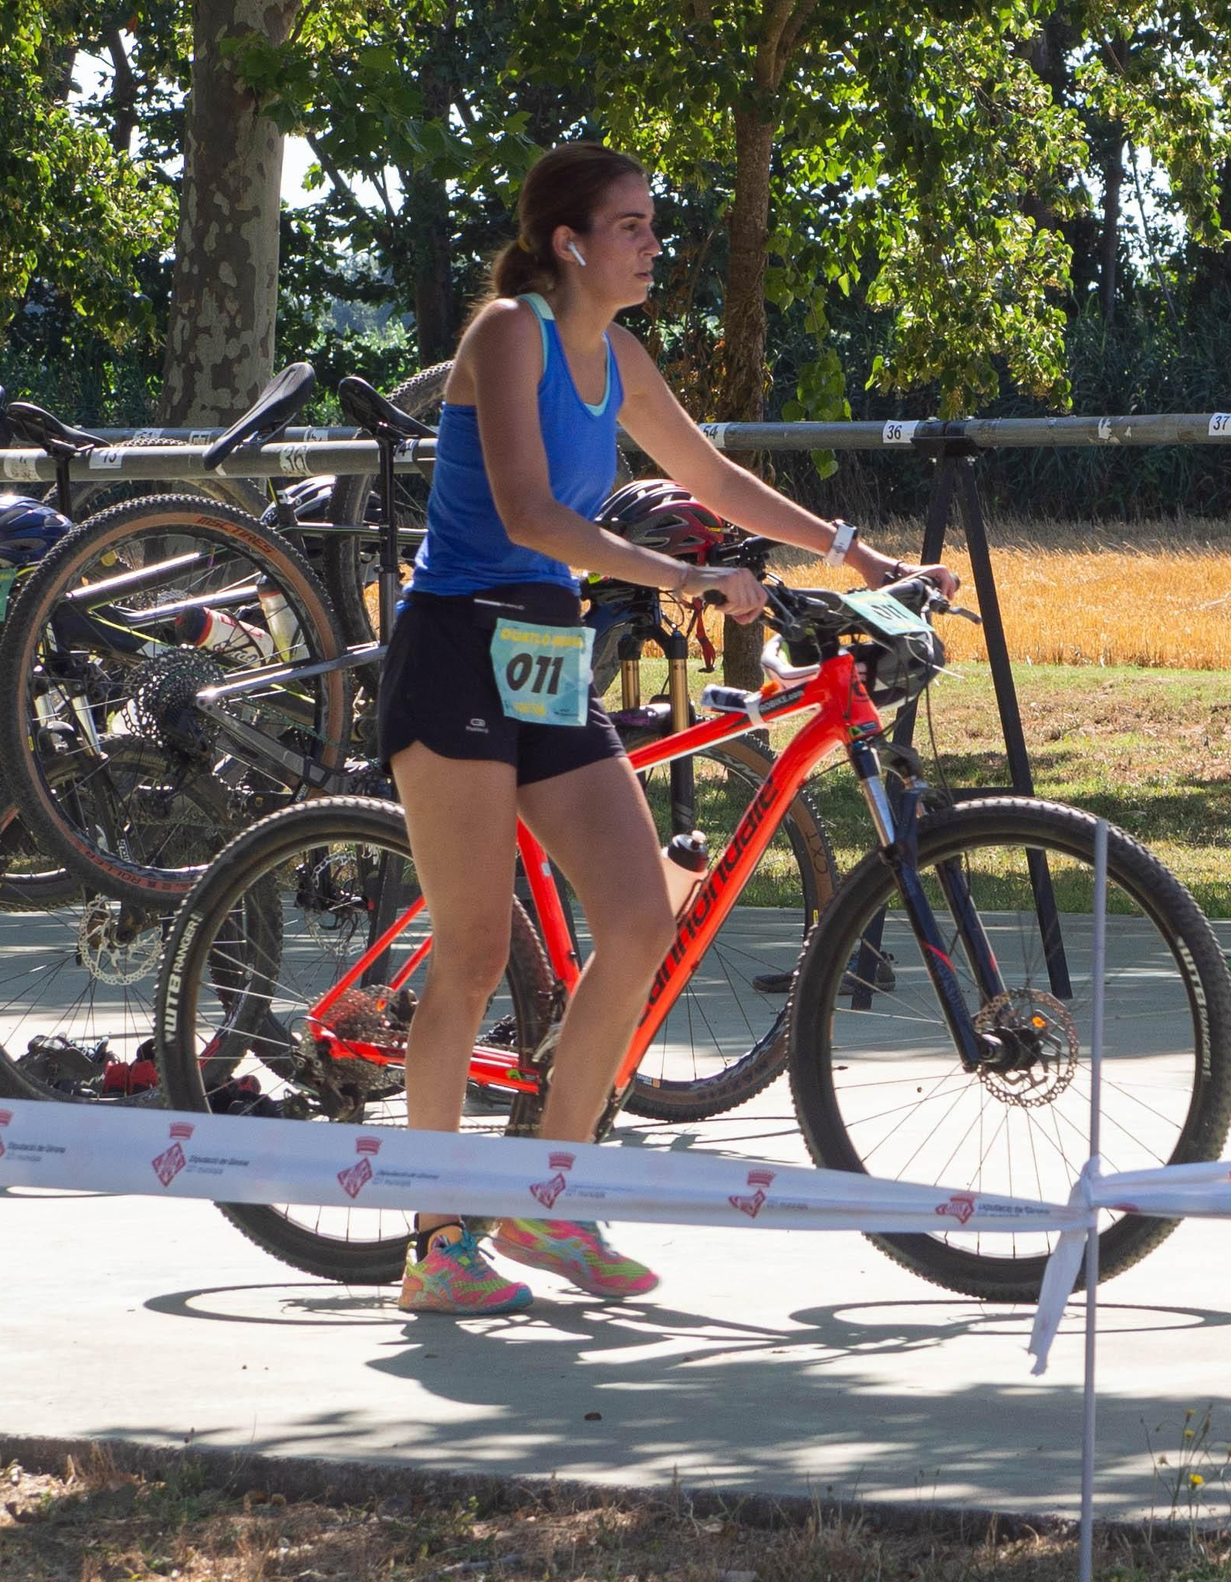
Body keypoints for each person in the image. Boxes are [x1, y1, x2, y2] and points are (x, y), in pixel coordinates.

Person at [380, 141, 961, 1314]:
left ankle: (550, 1191)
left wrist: (857, 550)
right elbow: (524, 505)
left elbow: (710, 475)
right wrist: (674, 575)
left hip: (540, 648)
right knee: (477, 947)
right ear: (569, 242)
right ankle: (433, 1242)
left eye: (653, 222)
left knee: (642, 913)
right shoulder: (508, 332)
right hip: (453, 647)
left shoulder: (620, 353)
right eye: (632, 225)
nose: (653, 242)